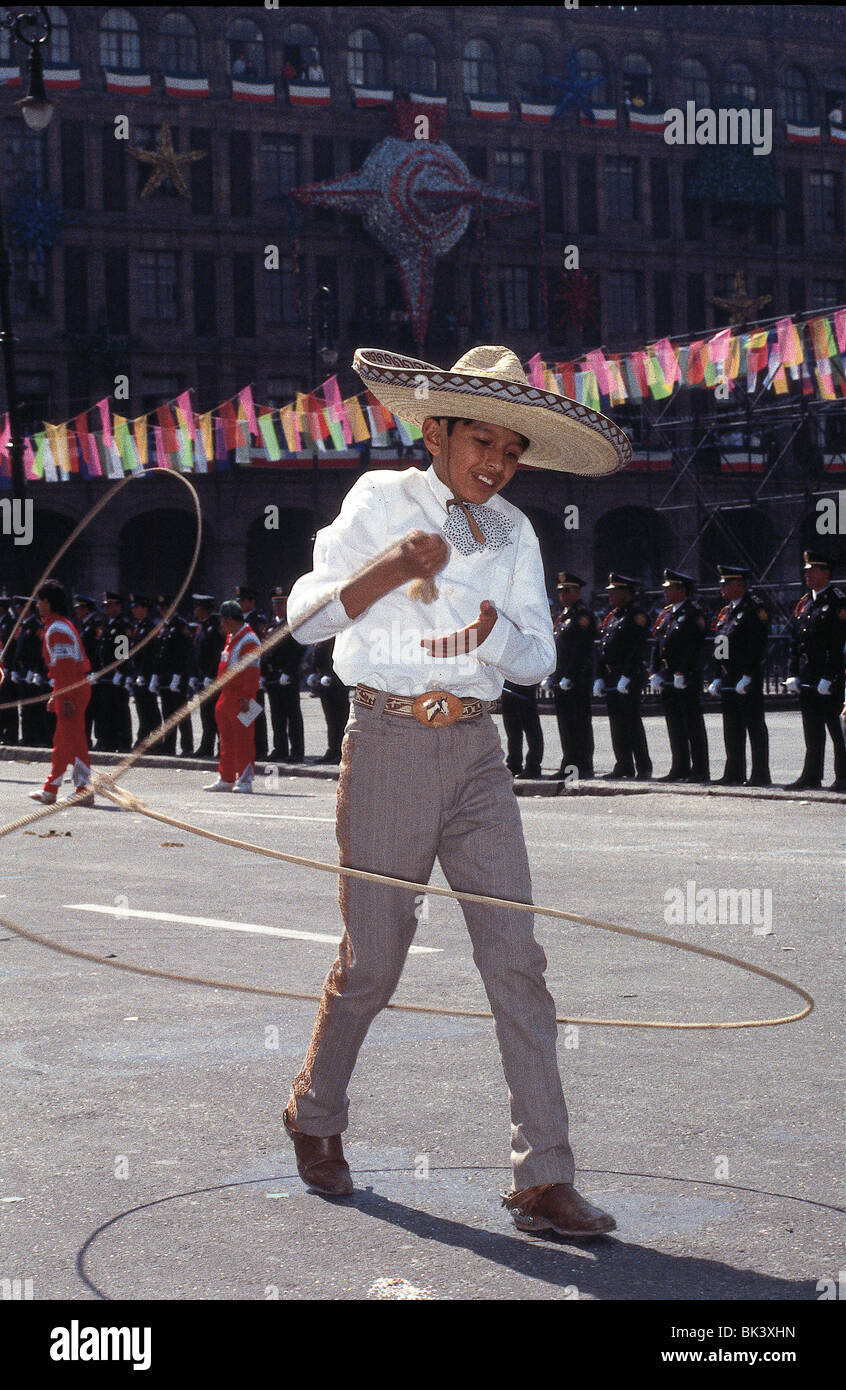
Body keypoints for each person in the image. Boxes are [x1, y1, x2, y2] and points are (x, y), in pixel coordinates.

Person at [282, 342, 631, 1239]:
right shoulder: (376, 500)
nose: (497, 464)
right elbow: (308, 623)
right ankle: (314, 1113)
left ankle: (543, 1176)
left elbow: (539, 659)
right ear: (435, 431)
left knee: (516, 957)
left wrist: (491, 631)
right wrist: (388, 572)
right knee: (375, 960)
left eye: (512, 451)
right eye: (482, 441)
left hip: (477, 751)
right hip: (390, 740)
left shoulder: (515, 531)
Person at [28, 579, 94, 806]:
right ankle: (51, 789)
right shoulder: (59, 625)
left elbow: (66, 666)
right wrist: (56, 694)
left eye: (39, 600)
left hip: (72, 688)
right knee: (62, 740)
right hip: (69, 687)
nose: (37, 605)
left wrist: (64, 696)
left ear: (47, 601)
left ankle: (84, 788)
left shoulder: (57, 629)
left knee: (74, 741)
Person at [784, 551, 846, 791]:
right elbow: (795, 641)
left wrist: (830, 676)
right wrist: (792, 672)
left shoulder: (838, 602)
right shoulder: (805, 602)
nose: (806, 574)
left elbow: (839, 644)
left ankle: (842, 776)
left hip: (828, 677)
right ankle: (811, 774)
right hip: (809, 675)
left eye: (812, 570)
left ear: (825, 573)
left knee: (837, 731)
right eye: (806, 570)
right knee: (812, 730)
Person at [708, 565, 771, 786]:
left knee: (754, 725)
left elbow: (757, 645)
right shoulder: (727, 612)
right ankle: (734, 771)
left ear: (739, 585)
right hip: (729, 678)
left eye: (726, 583)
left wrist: (748, 674)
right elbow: (721, 644)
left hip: (746, 677)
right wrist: (717, 674)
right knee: (731, 726)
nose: (722, 587)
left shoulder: (755, 608)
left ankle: (760, 773)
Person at [650, 569, 710, 783]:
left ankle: (700, 769)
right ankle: (680, 766)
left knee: (692, 723)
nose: (665, 592)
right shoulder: (666, 614)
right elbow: (658, 644)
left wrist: (683, 671)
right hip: (668, 675)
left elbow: (695, 647)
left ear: (681, 590)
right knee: (674, 723)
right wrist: (654, 671)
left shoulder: (694, 613)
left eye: (669, 588)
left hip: (686, 676)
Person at [595, 573, 652, 780]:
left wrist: (627, 675)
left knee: (631, 722)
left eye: (615, 591)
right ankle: (624, 764)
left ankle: (643, 766)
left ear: (626, 593)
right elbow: (603, 649)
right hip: (612, 677)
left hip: (628, 677)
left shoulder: (636, 616)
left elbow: (636, 649)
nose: (610, 595)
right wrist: (599, 676)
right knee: (617, 723)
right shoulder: (614, 616)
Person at [204, 600, 261, 793]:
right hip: (227, 696)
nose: (220, 623)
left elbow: (252, 672)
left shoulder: (249, 640)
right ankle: (226, 777)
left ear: (228, 619)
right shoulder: (232, 637)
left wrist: (247, 697)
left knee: (243, 740)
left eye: (221, 619)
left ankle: (245, 780)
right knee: (226, 740)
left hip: (240, 698)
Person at [546, 572, 595, 779]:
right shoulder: (564, 616)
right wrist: (552, 674)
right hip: (562, 678)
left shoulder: (582, 616)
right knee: (565, 725)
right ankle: (569, 765)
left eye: (567, 591)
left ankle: (582, 767)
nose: (562, 595)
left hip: (576, 680)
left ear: (577, 592)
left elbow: (581, 650)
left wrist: (571, 675)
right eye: (560, 591)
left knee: (579, 724)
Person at [264, 588, 304, 763]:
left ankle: (297, 751)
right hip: (274, 677)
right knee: (277, 715)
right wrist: (264, 673)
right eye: (275, 604)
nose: (278, 607)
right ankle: (280, 749)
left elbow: (298, 650)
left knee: (292, 715)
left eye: (281, 603)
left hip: (287, 677)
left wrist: (288, 671)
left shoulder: (292, 624)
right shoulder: (271, 625)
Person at [152, 596, 194, 757]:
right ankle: (169, 746)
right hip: (165, 677)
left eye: (165, 609)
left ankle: (187, 747)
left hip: (178, 677)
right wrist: (157, 675)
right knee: (167, 713)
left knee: (181, 713)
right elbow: (160, 653)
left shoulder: (181, 625)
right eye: (161, 610)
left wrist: (179, 675)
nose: (163, 612)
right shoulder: (165, 626)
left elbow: (185, 653)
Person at [191, 594, 224, 759]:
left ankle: (220, 746)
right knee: (206, 714)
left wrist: (211, 674)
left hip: (213, 678)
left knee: (216, 714)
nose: (195, 610)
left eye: (198, 607)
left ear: (204, 609)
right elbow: (197, 653)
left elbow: (217, 653)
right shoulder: (202, 626)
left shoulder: (216, 626)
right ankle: (206, 746)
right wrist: (195, 675)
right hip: (202, 677)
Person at [128, 594, 160, 747]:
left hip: (146, 675)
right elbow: (127, 653)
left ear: (144, 609)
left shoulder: (150, 627)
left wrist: (150, 674)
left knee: (150, 709)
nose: (134, 610)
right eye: (133, 607)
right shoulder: (135, 627)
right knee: (141, 709)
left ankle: (153, 741)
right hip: (136, 675)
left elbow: (152, 653)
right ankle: (143, 738)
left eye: (137, 607)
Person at [500, 678, 543, 778]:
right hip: (507, 682)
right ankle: (514, 764)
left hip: (524, 681)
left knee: (531, 728)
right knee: (512, 729)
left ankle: (533, 766)